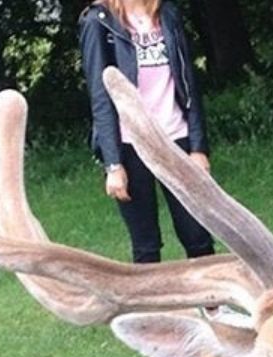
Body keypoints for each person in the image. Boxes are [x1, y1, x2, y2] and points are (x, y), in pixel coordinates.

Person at [79, 0, 215, 264]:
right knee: (146, 244)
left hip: (176, 137)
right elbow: (100, 97)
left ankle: (213, 305)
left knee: (197, 232)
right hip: (130, 145)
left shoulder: (168, 14)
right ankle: (150, 307)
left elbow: (189, 83)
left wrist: (198, 148)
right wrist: (113, 165)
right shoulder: (99, 21)